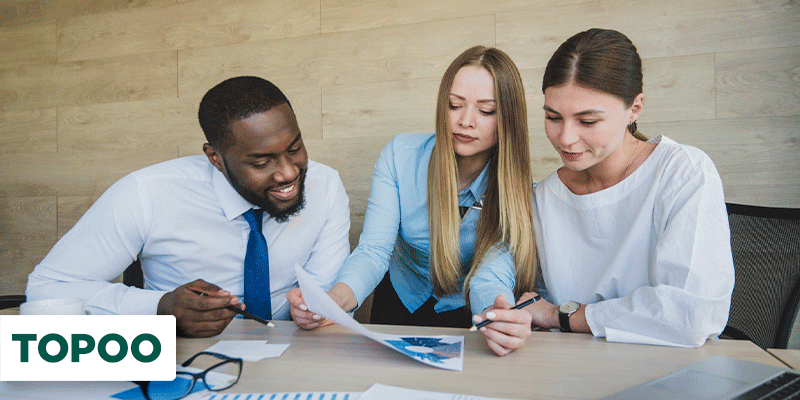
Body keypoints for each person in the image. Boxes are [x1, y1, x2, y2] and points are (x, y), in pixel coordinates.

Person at [469, 28, 735, 352]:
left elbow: (689, 316)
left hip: (669, 372)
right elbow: (515, 288)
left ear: (634, 109)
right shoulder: (543, 199)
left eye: (588, 121)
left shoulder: (684, 173)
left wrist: (562, 316)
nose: (565, 138)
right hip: (573, 373)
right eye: (553, 117)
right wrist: (511, 318)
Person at [26, 76, 351, 338]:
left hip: (297, 357)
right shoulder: (147, 193)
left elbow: (327, 294)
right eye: (262, 162)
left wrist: (316, 309)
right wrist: (159, 307)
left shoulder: (326, 186)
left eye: (295, 148)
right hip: (183, 362)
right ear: (215, 158)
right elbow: (47, 289)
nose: (289, 172)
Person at [287, 46, 537, 334]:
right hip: (399, 299)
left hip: (469, 311)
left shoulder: (518, 189)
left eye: (486, 110)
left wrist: (497, 312)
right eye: (454, 105)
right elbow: (373, 250)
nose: (465, 121)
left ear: (508, 118)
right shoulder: (399, 157)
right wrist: (334, 300)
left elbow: (490, 276)